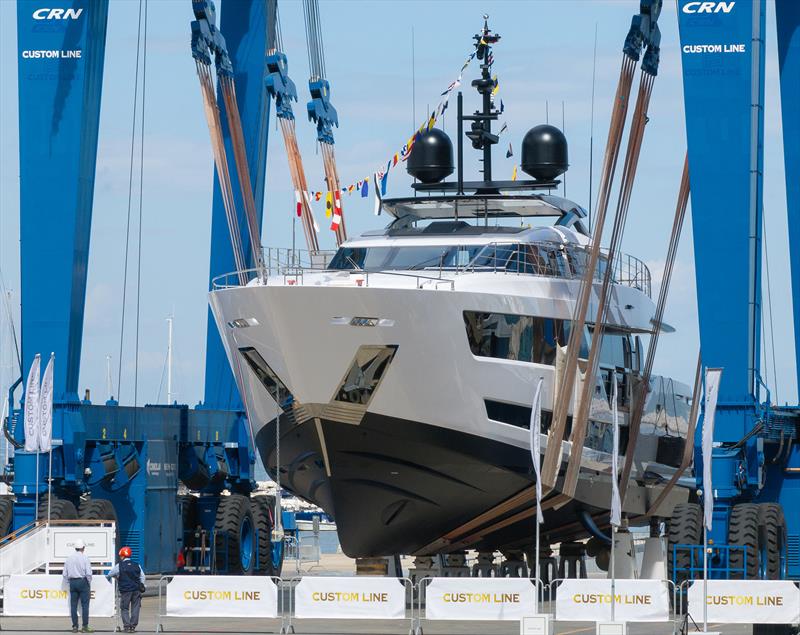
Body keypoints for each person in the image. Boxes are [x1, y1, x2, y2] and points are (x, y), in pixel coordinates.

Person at [106, 546, 146, 632]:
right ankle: (133, 626)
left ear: (122, 556)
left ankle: (127, 626)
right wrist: (142, 584)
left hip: (125, 591)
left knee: (124, 608)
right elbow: (142, 576)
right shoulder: (137, 565)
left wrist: (117, 577)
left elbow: (110, 574)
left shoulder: (119, 566)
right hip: (136, 590)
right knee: (135, 608)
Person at [63, 538, 93, 633]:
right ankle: (85, 627)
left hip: (73, 582)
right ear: (83, 548)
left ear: (75, 548)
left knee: (73, 606)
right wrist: (88, 582)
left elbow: (64, 574)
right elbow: (89, 573)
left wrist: (69, 582)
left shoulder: (69, 558)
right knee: (85, 606)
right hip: (83, 582)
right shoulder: (85, 558)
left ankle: (75, 626)